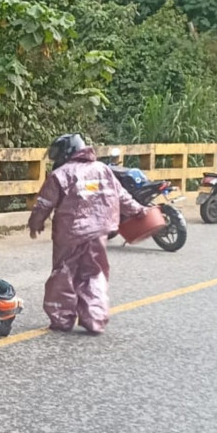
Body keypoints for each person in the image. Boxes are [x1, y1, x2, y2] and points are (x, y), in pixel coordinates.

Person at [28, 134, 147, 335]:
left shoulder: (61, 174)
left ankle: (62, 318)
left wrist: (35, 223)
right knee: (93, 273)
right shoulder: (103, 169)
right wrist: (140, 211)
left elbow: (44, 204)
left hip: (69, 233)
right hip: (98, 232)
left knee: (64, 272)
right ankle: (95, 318)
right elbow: (122, 196)